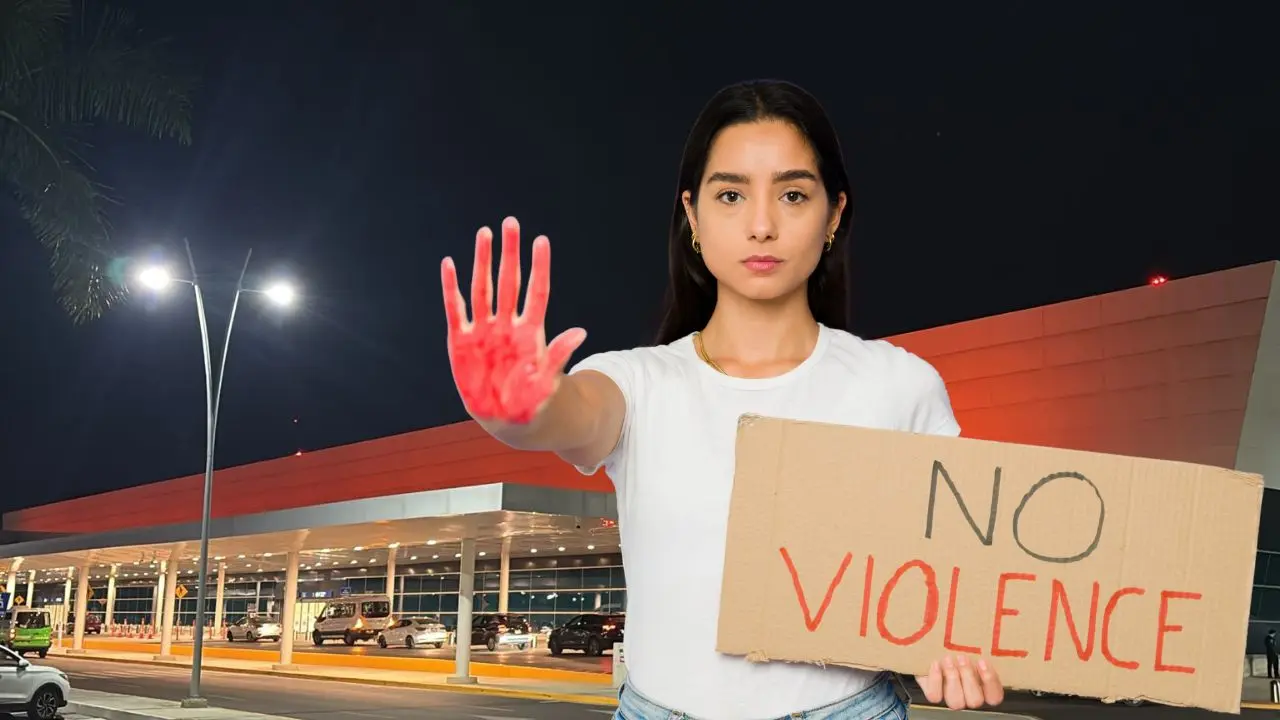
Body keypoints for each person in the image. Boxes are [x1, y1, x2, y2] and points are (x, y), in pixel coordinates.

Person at [440, 79, 1005, 719]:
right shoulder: (637, 381)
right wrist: (515, 410)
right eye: (731, 195)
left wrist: (962, 646)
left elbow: (963, 567)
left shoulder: (900, 384)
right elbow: (569, 412)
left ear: (835, 214)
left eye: (793, 194)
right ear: (693, 215)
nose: (761, 225)